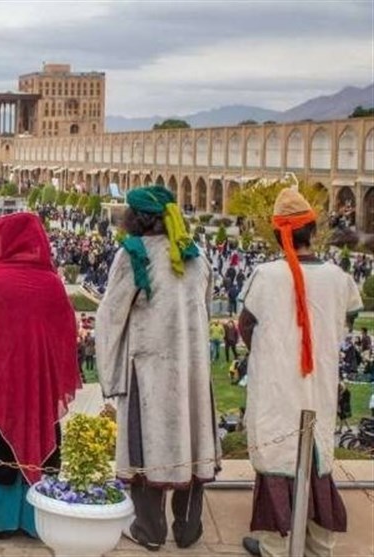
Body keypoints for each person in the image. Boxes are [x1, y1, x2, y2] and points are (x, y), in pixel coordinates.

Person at [238, 186, 362, 557]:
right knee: (316, 456)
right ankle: (319, 542)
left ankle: (275, 544)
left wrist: (275, 350)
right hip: (318, 383)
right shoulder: (339, 278)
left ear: (279, 234)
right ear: (312, 230)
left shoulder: (265, 276)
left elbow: (246, 327)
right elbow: (348, 320)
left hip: (278, 384)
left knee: (279, 457)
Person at [96, 185, 220, 551]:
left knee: (146, 446)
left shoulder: (134, 254)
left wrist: (111, 371)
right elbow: (205, 308)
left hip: (149, 367)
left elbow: (111, 315)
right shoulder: (196, 255)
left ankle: (150, 531)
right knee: (192, 438)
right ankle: (188, 529)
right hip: (192, 366)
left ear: (137, 218)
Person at [0, 212, 80, 539]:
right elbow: (67, 336)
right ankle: (34, 518)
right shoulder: (52, 283)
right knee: (38, 439)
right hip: (38, 389)